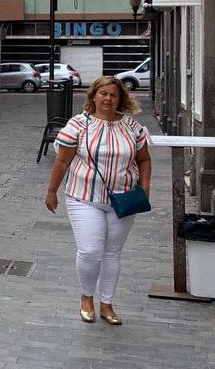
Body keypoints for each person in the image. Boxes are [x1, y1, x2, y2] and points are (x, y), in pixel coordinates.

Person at [44, 76, 152, 326]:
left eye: (113, 95)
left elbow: (144, 159)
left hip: (124, 199)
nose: (108, 99)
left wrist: (145, 188)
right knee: (91, 251)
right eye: (103, 93)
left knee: (112, 253)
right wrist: (51, 191)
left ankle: (107, 303)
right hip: (84, 197)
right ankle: (86, 297)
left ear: (120, 99)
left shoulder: (132, 127)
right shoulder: (78, 125)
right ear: (93, 96)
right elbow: (62, 161)